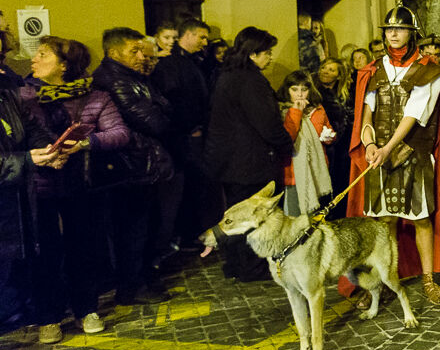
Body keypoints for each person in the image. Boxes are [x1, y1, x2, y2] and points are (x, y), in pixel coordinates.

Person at [24, 37, 130, 342]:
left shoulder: (95, 97)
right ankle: (49, 317)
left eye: (43, 54)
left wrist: (86, 142)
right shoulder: (24, 97)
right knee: (45, 251)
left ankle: (86, 309)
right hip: (38, 185)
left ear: (64, 65)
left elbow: (120, 133)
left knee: (82, 246)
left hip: (80, 184)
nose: (33, 59)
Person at [347, 7, 440, 304]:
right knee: (384, 223)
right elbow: (367, 113)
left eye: (400, 29)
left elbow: (413, 115)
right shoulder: (373, 70)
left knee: (421, 220)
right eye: (389, 29)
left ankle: (428, 280)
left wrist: (386, 148)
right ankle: (382, 282)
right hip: (379, 156)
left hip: (413, 154)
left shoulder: (428, 70)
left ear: (411, 33)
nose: (393, 34)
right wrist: (369, 144)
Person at [91, 27, 175, 305]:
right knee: (131, 230)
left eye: (142, 50)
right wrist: (160, 110)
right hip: (129, 165)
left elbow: (165, 109)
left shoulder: (133, 77)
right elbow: (156, 122)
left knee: (145, 226)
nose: (142, 56)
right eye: (134, 51)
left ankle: (143, 278)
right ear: (114, 52)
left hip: (143, 163)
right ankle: (131, 286)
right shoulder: (114, 81)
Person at [205, 27, 293, 281]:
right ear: (253, 54)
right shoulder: (250, 81)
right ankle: (250, 268)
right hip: (250, 162)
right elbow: (267, 123)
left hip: (231, 162)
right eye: (267, 52)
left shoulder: (228, 75)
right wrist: (286, 145)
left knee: (235, 215)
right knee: (251, 217)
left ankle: (235, 264)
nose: (270, 57)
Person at [0, 37, 61, 350]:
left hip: (10, 202)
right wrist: (26, 160)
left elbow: (29, 127)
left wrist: (48, 149)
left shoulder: (6, 90)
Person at [151, 17, 214, 253]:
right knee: (189, 187)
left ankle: (190, 233)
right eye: (202, 37)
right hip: (185, 137)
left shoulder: (192, 61)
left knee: (195, 186)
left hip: (192, 134)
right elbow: (175, 101)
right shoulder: (171, 64)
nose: (205, 42)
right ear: (187, 35)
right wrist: (191, 127)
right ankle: (186, 235)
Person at [276, 71, 334, 217]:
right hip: (294, 172)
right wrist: (296, 111)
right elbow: (288, 138)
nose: (300, 94)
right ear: (287, 90)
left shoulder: (317, 109)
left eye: (304, 89)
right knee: (295, 216)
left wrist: (328, 137)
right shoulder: (282, 110)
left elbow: (327, 129)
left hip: (316, 169)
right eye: (294, 89)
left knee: (316, 216)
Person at [313, 58, 353, 198]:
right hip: (323, 145)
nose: (325, 72)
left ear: (339, 75)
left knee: (341, 181)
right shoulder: (314, 93)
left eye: (331, 70)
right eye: (324, 68)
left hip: (343, 147)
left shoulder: (345, 93)